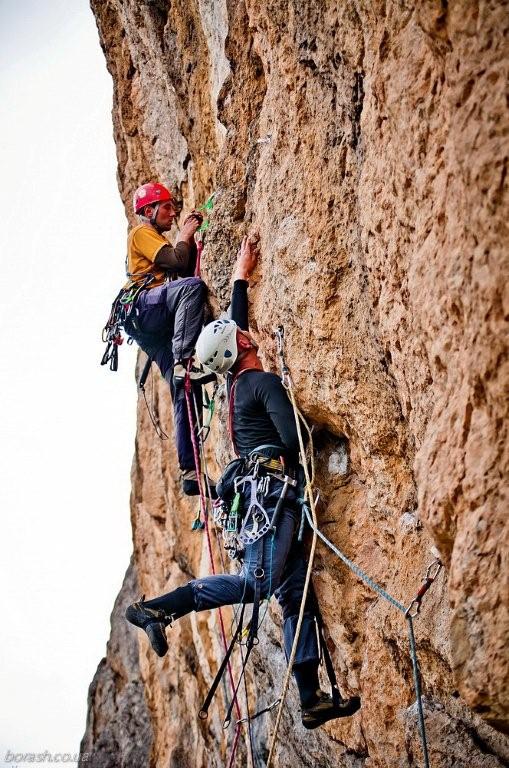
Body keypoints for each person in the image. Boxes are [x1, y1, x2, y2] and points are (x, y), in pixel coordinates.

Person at [125, 236, 360, 729]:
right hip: (274, 499)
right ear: (243, 347)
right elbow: (293, 440)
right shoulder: (261, 383)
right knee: (258, 584)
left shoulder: (237, 385)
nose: (247, 334)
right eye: (243, 335)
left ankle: (310, 695)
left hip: (260, 499)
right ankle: (160, 610)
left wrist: (240, 275)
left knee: (294, 592)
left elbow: (234, 330)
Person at [121, 182, 215, 496]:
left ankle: (190, 472)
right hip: (144, 308)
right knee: (191, 289)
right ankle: (184, 361)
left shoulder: (156, 238)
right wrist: (185, 235)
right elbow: (177, 262)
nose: (172, 213)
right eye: (166, 207)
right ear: (148, 210)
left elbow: (181, 264)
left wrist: (188, 243)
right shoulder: (141, 232)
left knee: (184, 388)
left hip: (150, 324)